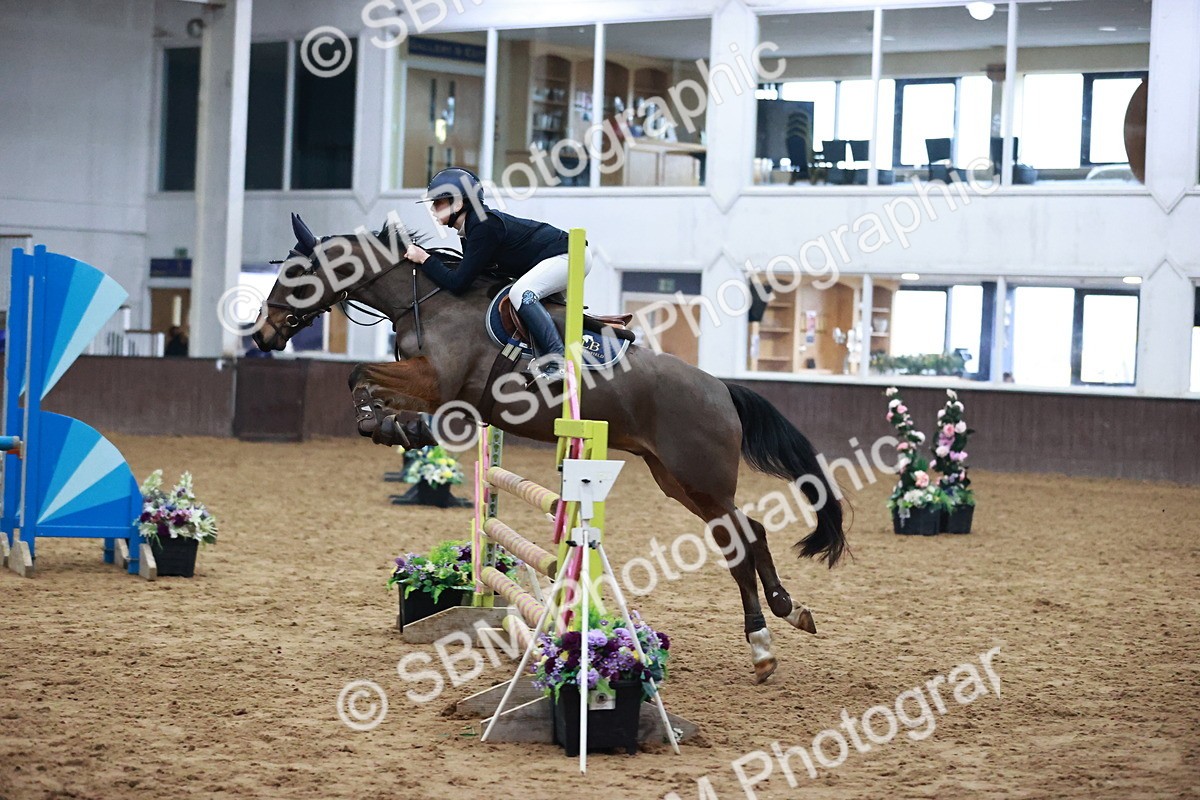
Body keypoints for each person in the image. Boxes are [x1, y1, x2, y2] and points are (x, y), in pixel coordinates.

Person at [404, 167, 591, 382]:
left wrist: (425, 259)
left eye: (438, 203)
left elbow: (458, 283)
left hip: (569, 256)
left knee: (521, 293)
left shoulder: (484, 225)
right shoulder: (470, 229)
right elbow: (470, 278)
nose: (433, 209)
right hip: (556, 259)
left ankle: (557, 362)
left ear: (458, 203)